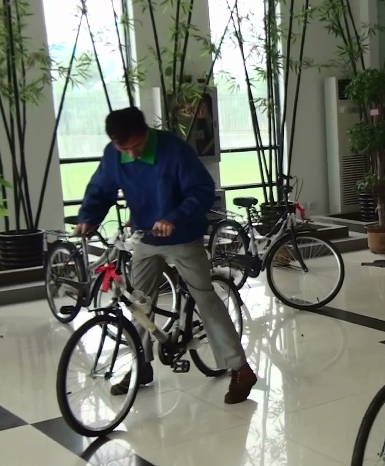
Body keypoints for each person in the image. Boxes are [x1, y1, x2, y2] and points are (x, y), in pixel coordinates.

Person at [76, 106, 257, 405]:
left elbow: (201, 190)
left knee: (204, 298)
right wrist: (88, 217)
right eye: (124, 149)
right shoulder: (114, 154)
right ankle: (141, 366)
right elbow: (100, 189)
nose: (131, 153)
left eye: (136, 146)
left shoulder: (173, 150)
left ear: (145, 132)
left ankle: (241, 369)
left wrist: (174, 217)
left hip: (183, 237)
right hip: (145, 238)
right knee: (139, 303)